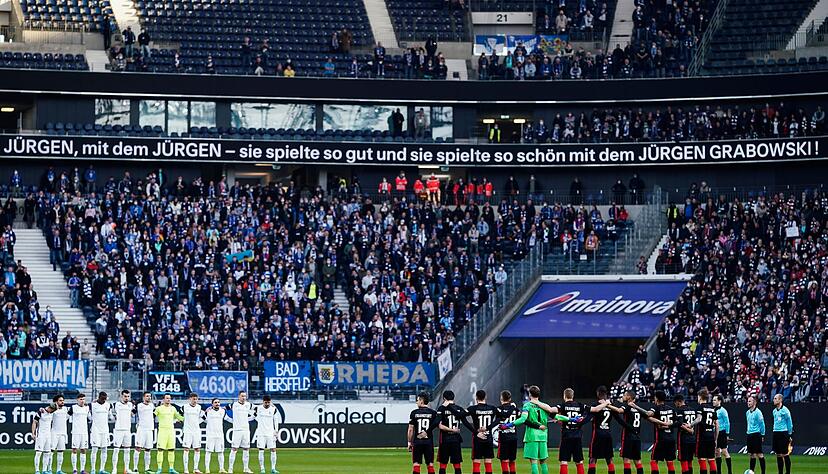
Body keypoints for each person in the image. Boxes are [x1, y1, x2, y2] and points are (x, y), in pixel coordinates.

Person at [506, 385, 550, 474]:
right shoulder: (544, 406)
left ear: (529, 394)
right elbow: (556, 415)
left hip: (532, 436)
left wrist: (508, 425)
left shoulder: (527, 405)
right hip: (543, 436)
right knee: (543, 462)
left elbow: (523, 419)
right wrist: (571, 419)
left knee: (534, 462)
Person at [632, 390, 677, 474]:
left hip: (661, 439)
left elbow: (648, 414)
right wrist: (668, 425)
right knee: (670, 462)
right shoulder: (671, 409)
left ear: (656, 399)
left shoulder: (656, 408)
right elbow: (677, 422)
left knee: (653, 461)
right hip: (671, 439)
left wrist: (636, 407)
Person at [464, 390, 500, 474]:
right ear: (485, 397)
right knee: (488, 461)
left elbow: (461, 417)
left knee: (476, 461)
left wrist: (475, 431)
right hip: (488, 438)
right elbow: (501, 417)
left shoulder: (473, 409)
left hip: (478, 438)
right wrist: (488, 427)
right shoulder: (492, 408)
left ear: (476, 397)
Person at [436, 390, 472, 474]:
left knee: (443, 464)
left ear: (444, 398)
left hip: (445, 439)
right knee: (457, 464)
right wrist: (475, 432)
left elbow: (440, 426)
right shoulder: (459, 409)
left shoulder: (441, 408)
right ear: (453, 397)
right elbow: (466, 422)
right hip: (456, 439)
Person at [588, 386, 619, 474]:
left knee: (593, 458)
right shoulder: (610, 406)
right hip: (607, 435)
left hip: (597, 434)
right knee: (609, 459)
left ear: (598, 393)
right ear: (606, 394)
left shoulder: (595, 405)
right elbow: (619, 419)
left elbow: (588, 417)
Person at [407, 391, 439, 474]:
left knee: (416, 464)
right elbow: (439, 426)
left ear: (421, 400)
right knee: (430, 465)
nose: (416, 402)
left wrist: (409, 442)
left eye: (417, 400)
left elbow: (410, 429)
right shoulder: (433, 413)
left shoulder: (414, 413)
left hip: (417, 442)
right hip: (428, 442)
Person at [691, 389, 718, 474]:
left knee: (702, 459)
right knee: (711, 459)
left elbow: (699, 419)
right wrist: (716, 439)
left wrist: (690, 425)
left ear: (700, 397)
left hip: (702, 436)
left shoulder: (700, 407)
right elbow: (717, 425)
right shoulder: (712, 409)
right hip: (711, 436)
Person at [496, 390, 523, 474]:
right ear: (510, 399)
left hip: (504, 437)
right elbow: (521, 417)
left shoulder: (499, 409)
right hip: (513, 437)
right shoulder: (515, 409)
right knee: (512, 460)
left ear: (501, 398)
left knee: (503, 460)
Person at [155, 393, 184, 474]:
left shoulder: (173, 409)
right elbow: (152, 416)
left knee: (171, 450)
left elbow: (179, 417)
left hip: (171, 431)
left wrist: (187, 418)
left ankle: (171, 468)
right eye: (167, 398)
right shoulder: (159, 408)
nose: (168, 400)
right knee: (160, 450)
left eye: (169, 398)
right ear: (163, 399)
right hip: (162, 431)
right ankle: (159, 469)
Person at [618, 391, 646, 474]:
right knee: (638, 461)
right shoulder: (638, 408)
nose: (623, 396)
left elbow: (619, 410)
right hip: (637, 437)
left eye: (624, 395)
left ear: (629, 397)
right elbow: (648, 415)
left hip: (628, 436)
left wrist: (608, 405)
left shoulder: (627, 406)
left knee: (626, 459)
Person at [227, 390, 254, 473]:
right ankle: (230, 468)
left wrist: (252, 417)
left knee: (246, 449)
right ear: (239, 396)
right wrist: (211, 408)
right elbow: (223, 408)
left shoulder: (248, 405)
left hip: (246, 430)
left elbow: (258, 408)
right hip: (237, 430)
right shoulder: (234, 405)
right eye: (242, 396)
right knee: (234, 449)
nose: (244, 398)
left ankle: (246, 468)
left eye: (245, 396)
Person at [254, 395, 280, 474]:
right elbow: (252, 414)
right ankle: (262, 468)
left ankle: (273, 468)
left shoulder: (273, 409)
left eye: (269, 402)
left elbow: (276, 420)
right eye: (266, 402)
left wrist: (276, 431)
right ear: (263, 401)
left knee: (273, 450)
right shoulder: (258, 408)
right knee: (261, 450)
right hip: (261, 433)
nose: (267, 404)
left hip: (270, 433)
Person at [111, 389, 134, 474]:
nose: (126, 398)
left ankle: (127, 469)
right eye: (125, 396)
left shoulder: (130, 405)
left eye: (128, 396)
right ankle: (114, 469)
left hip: (127, 430)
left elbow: (132, 413)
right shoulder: (117, 404)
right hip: (118, 430)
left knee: (127, 450)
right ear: (121, 396)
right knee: (116, 450)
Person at [673, 394, 697, 474]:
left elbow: (680, 423)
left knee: (683, 460)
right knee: (690, 460)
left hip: (684, 438)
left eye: (675, 403)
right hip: (692, 439)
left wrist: (670, 424)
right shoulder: (693, 410)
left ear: (678, 402)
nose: (675, 405)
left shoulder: (680, 410)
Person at [183, 392, 204, 474]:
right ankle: (186, 469)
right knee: (186, 449)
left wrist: (197, 423)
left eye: (196, 399)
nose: (195, 400)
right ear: (190, 399)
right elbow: (179, 415)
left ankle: (196, 469)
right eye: (193, 399)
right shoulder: (185, 407)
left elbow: (203, 417)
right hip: (188, 431)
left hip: (196, 431)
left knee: (197, 449)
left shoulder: (199, 407)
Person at [33, 400, 57, 474]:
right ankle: (37, 470)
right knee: (39, 453)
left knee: (47, 453)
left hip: (48, 435)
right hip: (40, 435)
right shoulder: (41, 412)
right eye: (53, 410)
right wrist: (33, 433)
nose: (53, 411)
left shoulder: (51, 413)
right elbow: (34, 422)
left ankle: (44, 470)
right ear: (51, 408)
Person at [134, 392, 156, 474]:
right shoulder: (139, 405)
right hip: (141, 429)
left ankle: (147, 468)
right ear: (143, 397)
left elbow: (154, 414)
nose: (149, 398)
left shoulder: (152, 406)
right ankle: (135, 468)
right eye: (147, 396)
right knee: (138, 448)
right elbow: (132, 413)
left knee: (148, 449)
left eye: (150, 396)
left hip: (150, 430)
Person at [771, 394, 792, 474]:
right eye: (774, 398)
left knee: (785, 454)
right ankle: (780, 472)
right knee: (778, 454)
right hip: (776, 433)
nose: (774, 400)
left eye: (775, 398)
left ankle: (788, 472)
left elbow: (789, 423)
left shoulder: (785, 411)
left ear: (780, 400)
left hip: (783, 433)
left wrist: (789, 434)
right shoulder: (774, 411)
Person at [205, 398, 228, 474]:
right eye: (215, 402)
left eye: (218, 402)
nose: (217, 403)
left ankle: (221, 468)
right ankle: (207, 469)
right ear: (212, 404)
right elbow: (203, 419)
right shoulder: (208, 411)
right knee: (208, 452)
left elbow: (227, 419)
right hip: (210, 435)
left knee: (221, 452)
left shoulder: (222, 411)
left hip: (220, 435)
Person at [90, 391, 110, 474]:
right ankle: (93, 469)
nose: (103, 400)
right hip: (95, 430)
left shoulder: (108, 405)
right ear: (99, 397)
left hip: (105, 430)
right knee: (94, 449)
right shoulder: (92, 405)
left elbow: (110, 416)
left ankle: (102, 469)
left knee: (104, 449)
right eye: (102, 399)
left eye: (105, 399)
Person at [69, 393, 90, 474]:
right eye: (81, 399)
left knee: (83, 450)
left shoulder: (87, 408)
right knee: (74, 450)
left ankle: (82, 470)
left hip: (84, 432)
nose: (82, 401)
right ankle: (74, 470)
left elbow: (90, 418)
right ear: (77, 400)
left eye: (83, 399)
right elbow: (67, 416)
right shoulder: (73, 408)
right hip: (76, 432)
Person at [745, 395, 766, 474]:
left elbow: (762, 424)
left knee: (759, 454)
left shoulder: (758, 412)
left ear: (755, 402)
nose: (748, 402)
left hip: (756, 435)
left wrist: (762, 435)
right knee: (751, 455)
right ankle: (751, 471)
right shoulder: (747, 412)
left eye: (750, 401)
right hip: (749, 435)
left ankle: (763, 472)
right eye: (748, 401)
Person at [50, 394, 69, 474]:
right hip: (54, 433)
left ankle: (59, 470)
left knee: (60, 452)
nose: (62, 402)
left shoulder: (65, 409)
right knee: (50, 452)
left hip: (62, 433)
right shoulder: (53, 411)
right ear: (56, 402)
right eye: (60, 400)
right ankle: (49, 469)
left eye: (63, 400)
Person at [713, 395, 731, 474]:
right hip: (715, 432)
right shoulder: (713, 410)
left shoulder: (723, 411)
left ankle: (730, 471)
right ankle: (719, 472)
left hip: (722, 432)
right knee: (717, 452)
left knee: (724, 451)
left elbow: (727, 422)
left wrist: (727, 434)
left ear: (719, 401)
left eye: (714, 400)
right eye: (713, 400)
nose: (713, 401)